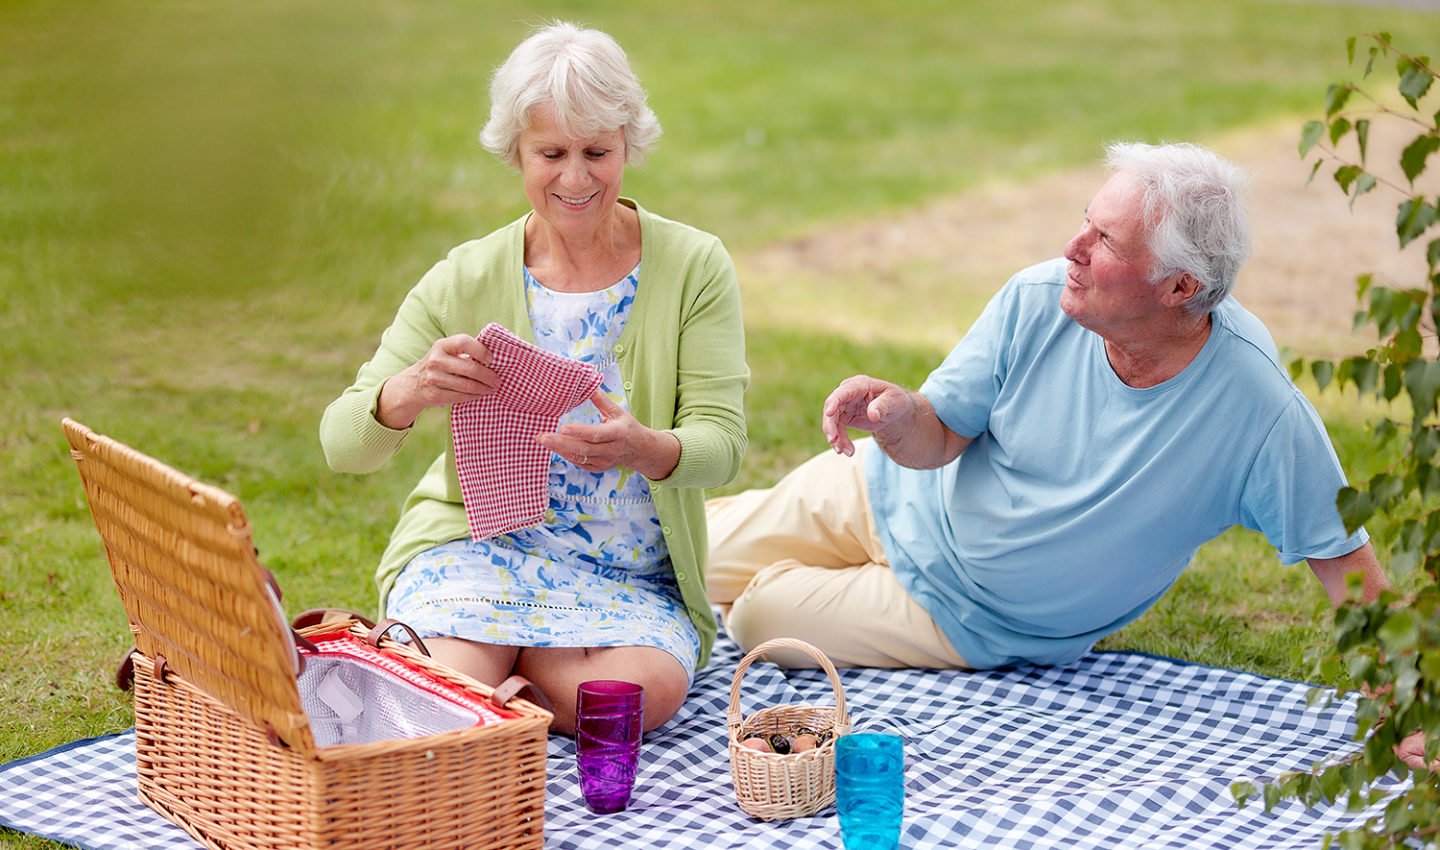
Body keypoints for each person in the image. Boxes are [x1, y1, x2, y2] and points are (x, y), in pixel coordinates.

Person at [707, 139, 1401, 701]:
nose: (1073, 247)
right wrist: (896, 416)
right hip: (882, 492)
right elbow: (940, 433)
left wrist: (1411, 710)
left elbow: (1345, 561)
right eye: (1085, 221)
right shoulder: (1038, 296)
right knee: (685, 555)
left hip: (967, 616)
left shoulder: (1256, 408)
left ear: (1180, 287)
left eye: (1106, 241)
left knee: (758, 619)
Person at [321, 21, 747, 735]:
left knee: (624, 703)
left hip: (628, 577)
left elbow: (723, 445)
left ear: (628, 144)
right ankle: (497, 687)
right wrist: (412, 389)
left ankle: (492, 690)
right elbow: (342, 444)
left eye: (596, 152)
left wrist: (644, 448)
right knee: (440, 697)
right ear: (516, 151)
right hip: (477, 557)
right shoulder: (466, 277)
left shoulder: (695, 266)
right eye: (551, 154)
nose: (576, 179)